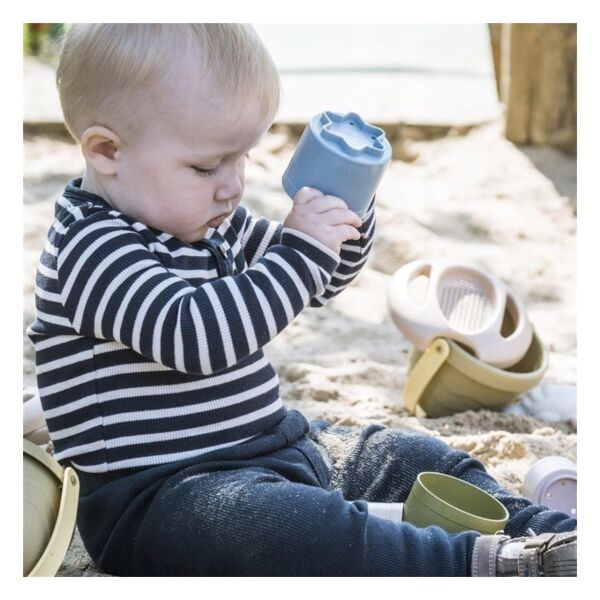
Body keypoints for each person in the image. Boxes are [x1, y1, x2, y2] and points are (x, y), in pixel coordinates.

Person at [26, 23, 576, 577]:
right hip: (163, 501)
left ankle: (552, 534)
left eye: (242, 157)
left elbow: (318, 281)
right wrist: (301, 250)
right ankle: (485, 566)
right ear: (106, 151)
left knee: (413, 458)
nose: (233, 186)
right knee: (293, 528)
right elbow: (197, 336)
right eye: (206, 166)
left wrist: (342, 216)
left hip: (274, 446)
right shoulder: (91, 251)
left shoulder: (204, 220)